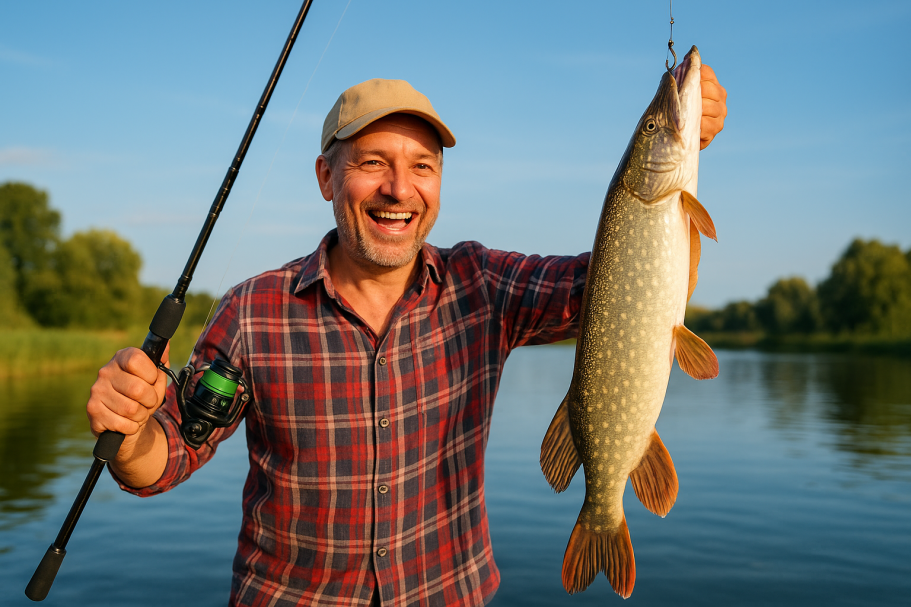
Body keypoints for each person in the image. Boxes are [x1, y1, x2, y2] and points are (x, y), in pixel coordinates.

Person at [87, 73, 727, 606]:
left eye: (422, 166)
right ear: (325, 177)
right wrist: (132, 429)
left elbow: (622, 283)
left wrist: (684, 144)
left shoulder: (484, 283)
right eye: (373, 164)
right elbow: (163, 460)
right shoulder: (252, 312)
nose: (400, 188)